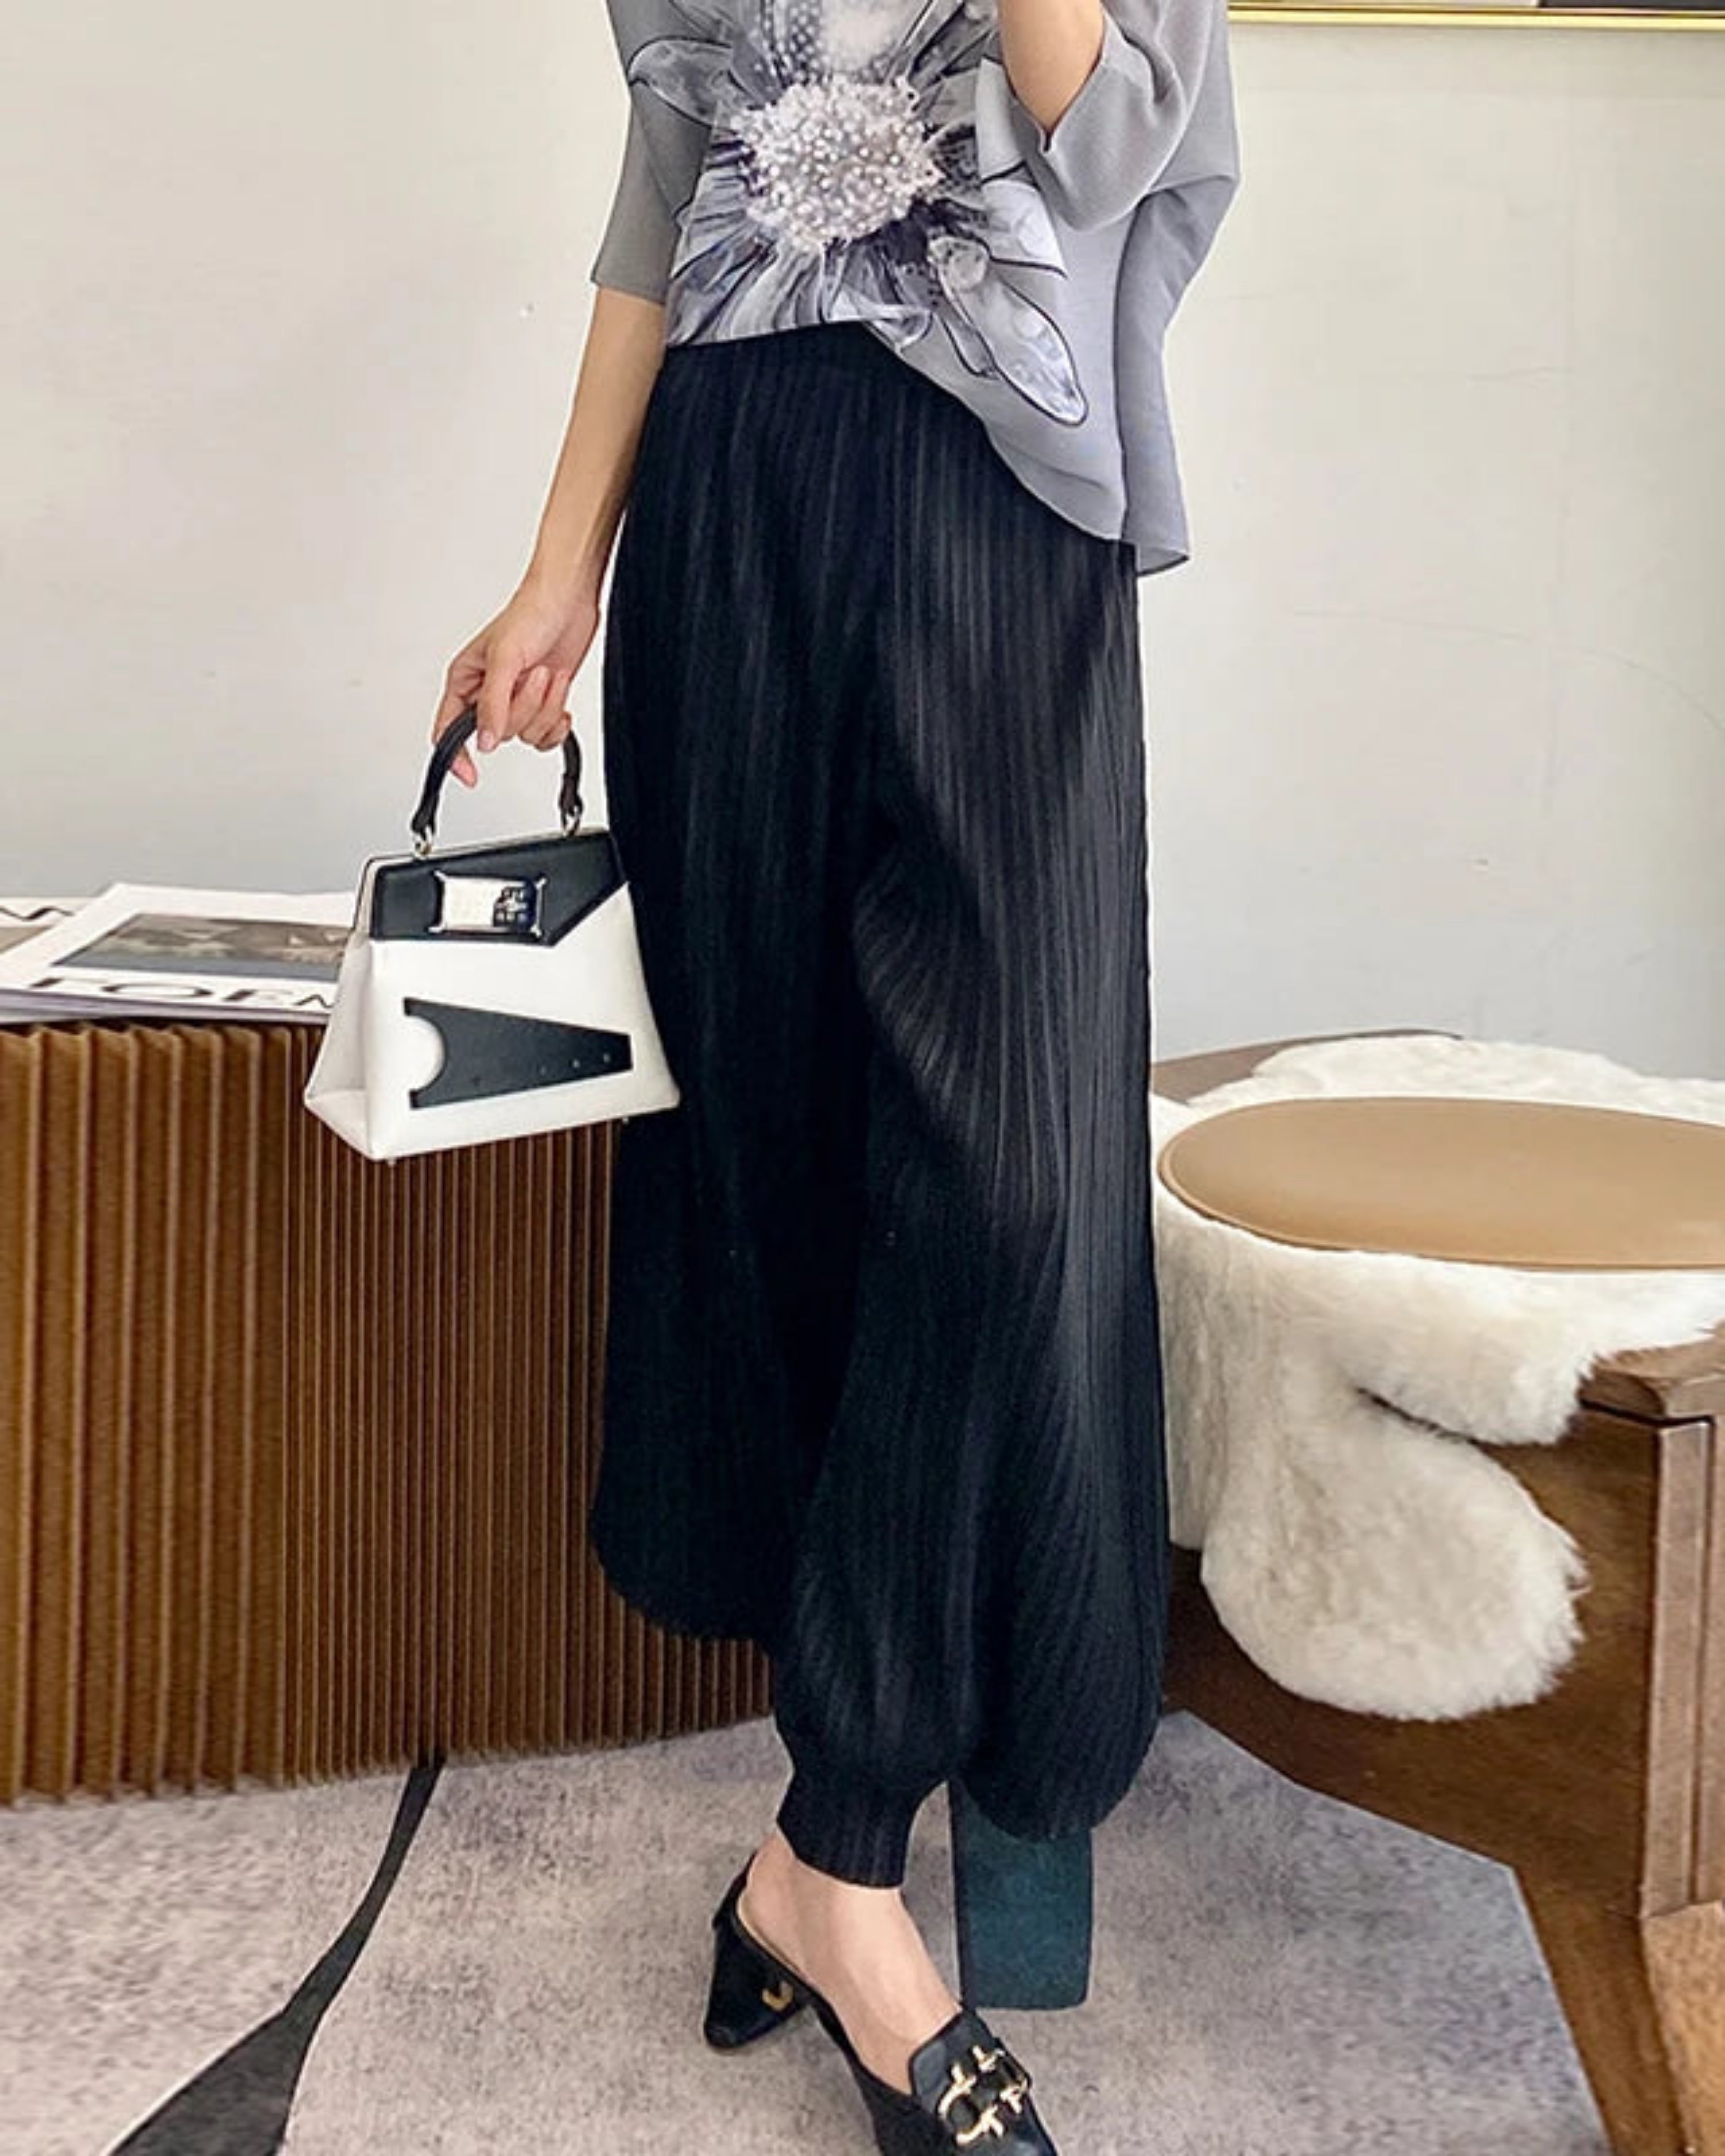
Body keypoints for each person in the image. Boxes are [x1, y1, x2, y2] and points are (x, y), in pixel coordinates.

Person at [431, 2, 1240, 2147]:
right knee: (776, 1154)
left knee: (1009, 1187)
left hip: (994, 516)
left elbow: (1096, 140)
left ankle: (832, 1843)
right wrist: (560, 572)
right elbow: (664, 197)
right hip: (731, 515)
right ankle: (845, 1872)